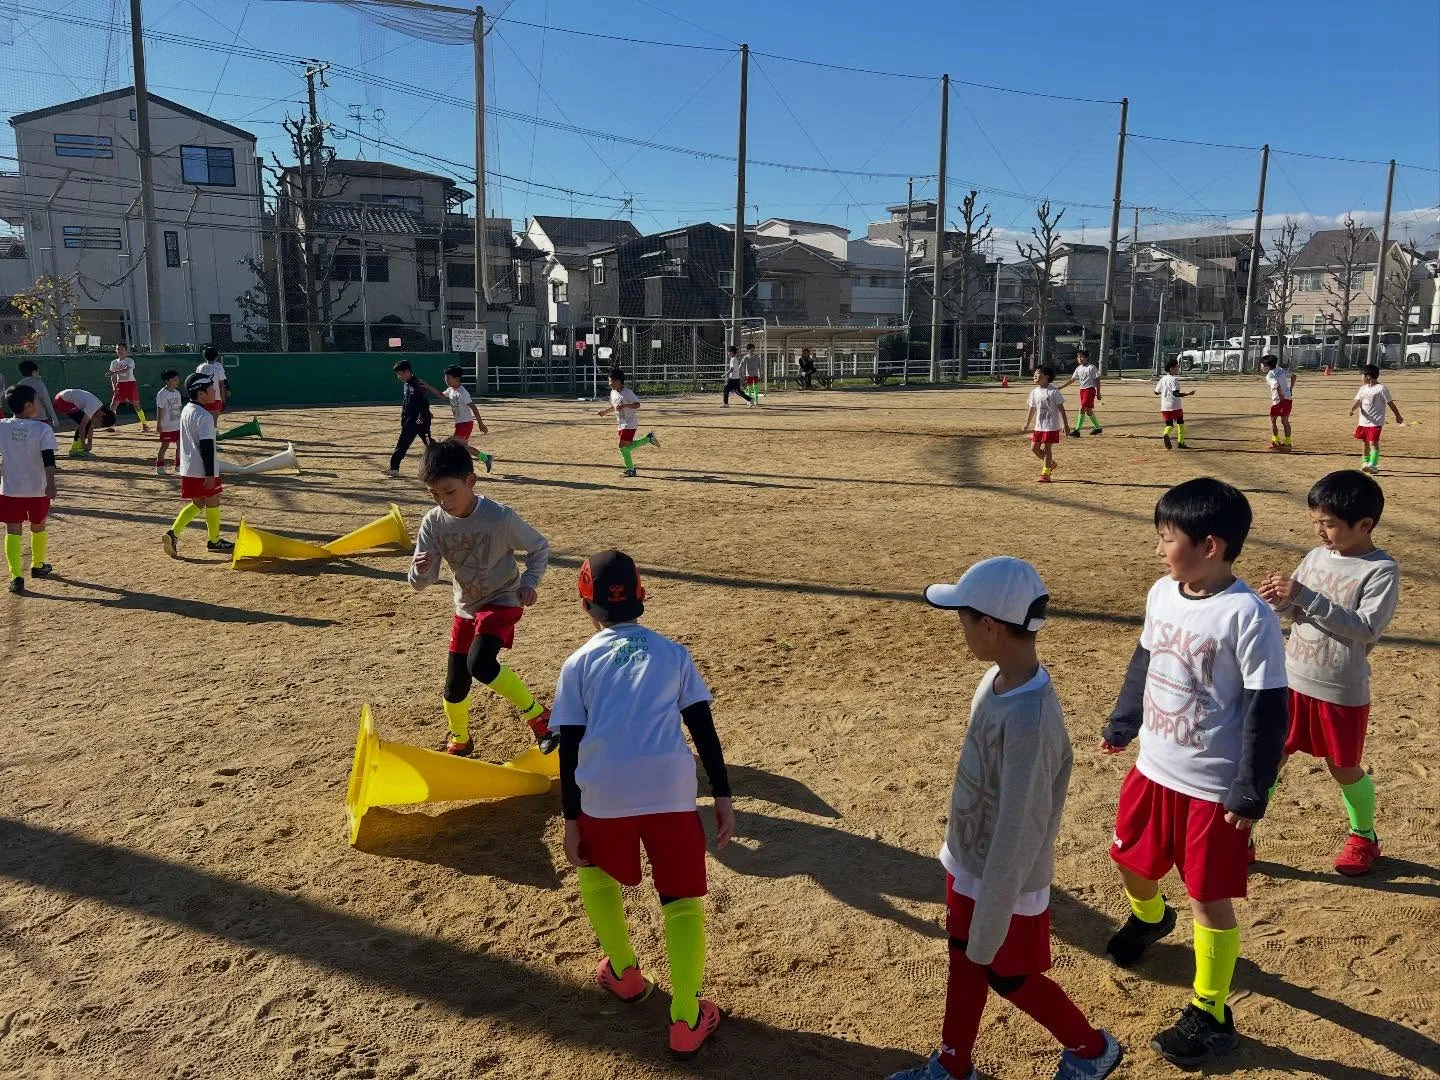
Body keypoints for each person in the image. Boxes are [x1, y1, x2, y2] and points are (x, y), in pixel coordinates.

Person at [890, 558, 1123, 1080]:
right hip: (972, 861)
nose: (962, 629)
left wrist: (993, 911)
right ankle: (953, 1065)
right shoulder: (993, 680)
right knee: (963, 957)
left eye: (964, 619)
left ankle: (1091, 1049)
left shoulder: (1032, 717)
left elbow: (1020, 828)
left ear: (990, 626)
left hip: (1007, 879)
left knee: (1007, 974)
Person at [1100, 477, 1288, 1067]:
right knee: (1129, 859)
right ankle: (1152, 918)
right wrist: (1125, 719)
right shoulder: (1163, 592)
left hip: (1212, 788)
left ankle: (1211, 1009)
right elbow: (1146, 657)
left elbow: (1267, 709)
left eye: (1167, 537)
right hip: (1153, 769)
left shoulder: (1248, 616)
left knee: (1208, 897)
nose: (1159, 548)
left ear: (1210, 545)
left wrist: (1250, 790)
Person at [554, 548, 733, 1061]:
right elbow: (703, 728)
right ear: (642, 598)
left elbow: (569, 748)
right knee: (681, 903)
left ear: (585, 606)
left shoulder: (578, 663)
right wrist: (722, 795)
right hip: (669, 793)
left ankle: (626, 973)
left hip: (603, 794)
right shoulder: (674, 654)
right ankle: (686, 1017)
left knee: (594, 871)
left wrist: (571, 822)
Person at [1257, 471, 1399, 876]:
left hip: (1339, 688)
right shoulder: (1317, 556)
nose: (1319, 531)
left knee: (1343, 767)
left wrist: (1305, 596)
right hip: (1290, 679)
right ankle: (1243, 831)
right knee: (1270, 758)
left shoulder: (1381, 570)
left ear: (1365, 525)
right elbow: (1297, 609)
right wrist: (1280, 602)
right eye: (1315, 521)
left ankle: (1363, 835)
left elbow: (1366, 627)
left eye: (1329, 524)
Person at [409, 438, 557, 756]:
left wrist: (530, 582)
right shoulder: (432, 522)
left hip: (503, 599)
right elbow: (423, 581)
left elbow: (539, 547)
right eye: (434, 494)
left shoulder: (499, 517)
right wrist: (422, 570)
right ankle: (460, 740)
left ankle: (539, 717)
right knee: (454, 685)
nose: (443, 501)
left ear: (470, 482)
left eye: (450, 492)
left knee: (480, 663)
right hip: (466, 606)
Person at [162, 373, 232, 557]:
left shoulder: (187, 410)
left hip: (188, 469)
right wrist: (210, 474)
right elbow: (207, 447)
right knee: (213, 501)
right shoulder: (205, 416)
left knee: (199, 503)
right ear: (201, 394)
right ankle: (215, 541)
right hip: (202, 470)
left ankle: (173, 533)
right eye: (211, 389)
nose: (214, 391)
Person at [0, 384, 58, 594]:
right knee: (38, 525)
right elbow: (48, 460)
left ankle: (16, 576)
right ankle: (38, 564)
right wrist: (51, 484)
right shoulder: (42, 429)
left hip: (10, 489)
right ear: (28, 405)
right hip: (38, 488)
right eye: (37, 401)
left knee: (13, 530)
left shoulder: (2, 426)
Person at [596, 367, 658, 478]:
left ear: (618, 381)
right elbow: (614, 406)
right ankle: (648, 438)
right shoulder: (613, 393)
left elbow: (637, 405)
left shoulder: (628, 393)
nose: (609, 383)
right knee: (626, 448)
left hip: (630, 424)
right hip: (621, 424)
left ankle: (630, 469)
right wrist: (605, 412)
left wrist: (626, 405)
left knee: (622, 446)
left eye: (611, 381)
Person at [388, 359, 441, 477]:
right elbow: (410, 403)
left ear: (407, 372)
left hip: (416, 422)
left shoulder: (417, 384)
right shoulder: (407, 384)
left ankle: (393, 468)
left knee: (405, 444)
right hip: (413, 421)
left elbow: (423, 402)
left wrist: (422, 416)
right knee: (427, 444)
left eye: (400, 374)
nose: (399, 377)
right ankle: (393, 468)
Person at [1349, 364, 1403, 474]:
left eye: (1362, 375)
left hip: (1375, 421)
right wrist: (1352, 409)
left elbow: (1390, 403)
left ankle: (1373, 464)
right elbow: (1358, 401)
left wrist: (1398, 415)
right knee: (1365, 442)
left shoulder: (1381, 389)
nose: (1361, 378)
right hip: (1363, 421)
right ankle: (1365, 462)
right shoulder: (1363, 389)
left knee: (1373, 442)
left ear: (1368, 376)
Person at [1022, 365, 1071, 484]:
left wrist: (1066, 425)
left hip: (1051, 426)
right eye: (1034, 373)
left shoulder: (1053, 391)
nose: (1035, 375)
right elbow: (1032, 408)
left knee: (1047, 448)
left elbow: (1061, 409)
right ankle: (1051, 463)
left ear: (1047, 377)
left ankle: (1046, 473)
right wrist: (1027, 423)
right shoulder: (1034, 392)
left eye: (1038, 373)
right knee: (1034, 448)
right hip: (1039, 426)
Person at [441, 365, 494, 474]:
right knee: (462, 447)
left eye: (448, 379)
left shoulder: (463, 393)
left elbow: (473, 407)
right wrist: (427, 386)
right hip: (460, 424)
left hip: (465, 424)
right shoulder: (450, 389)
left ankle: (459, 468)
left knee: (456, 446)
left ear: (457, 379)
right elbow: (440, 395)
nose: (446, 381)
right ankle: (485, 458)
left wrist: (481, 424)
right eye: (445, 379)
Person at [52, 388, 116, 456]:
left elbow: (90, 426)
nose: (97, 420)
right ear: (103, 414)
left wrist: (89, 445)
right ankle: (76, 449)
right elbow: (83, 425)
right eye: (100, 421)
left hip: (62, 398)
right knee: (85, 424)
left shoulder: (98, 406)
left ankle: (78, 448)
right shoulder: (94, 406)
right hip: (62, 400)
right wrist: (83, 443)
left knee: (88, 423)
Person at [1058, 349, 1102, 435]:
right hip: (1082, 391)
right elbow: (1072, 380)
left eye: (1082, 357)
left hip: (1090, 390)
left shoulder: (1091, 368)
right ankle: (1098, 428)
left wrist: (1098, 392)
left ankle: (1077, 430)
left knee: (1082, 408)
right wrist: (1061, 387)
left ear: (1087, 358)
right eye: (1078, 357)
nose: (1079, 359)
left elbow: (1097, 380)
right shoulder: (1078, 368)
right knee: (1088, 410)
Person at [107, 343, 149, 431]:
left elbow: (127, 369)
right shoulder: (113, 362)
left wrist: (114, 372)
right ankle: (112, 425)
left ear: (126, 351)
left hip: (131, 384)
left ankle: (144, 425)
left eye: (122, 349)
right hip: (120, 385)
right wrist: (114, 387)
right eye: (118, 349)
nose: (120, 351)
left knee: (136, 406)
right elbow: (113, 377)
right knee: (113, 405)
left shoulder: (130, 360)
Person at [1154, 358, 1194, 450]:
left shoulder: (1162, 379)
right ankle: (1181, 442)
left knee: (1169, 425)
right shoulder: (1174, 380)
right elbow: (1175, 393)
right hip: (1175, 405)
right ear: (1171, 369)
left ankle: (1166, 434)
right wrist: (1187, 394)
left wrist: (1164, 391)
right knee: (1180, 422)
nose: (1178, 368)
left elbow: (1156, 392)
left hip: (1164, 406)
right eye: (1177, 367)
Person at [1261, 356, 1294, 451]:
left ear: (1267, 366)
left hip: (1278, 401)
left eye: (1263, 365)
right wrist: (1291, 388)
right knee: (1285, 421)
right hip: (1288, 399)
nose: (1262, 367)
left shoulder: (1269, 375)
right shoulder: (1282, 370)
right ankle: (1287, 443)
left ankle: (1276, 441)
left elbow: (1276, 385)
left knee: (1273, 421)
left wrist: (1280, 396)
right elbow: (1293, 376)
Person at [154, 369, 183, 474]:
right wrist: (159, 424)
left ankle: (179, 466)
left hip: (178, 425)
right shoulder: (162, 394)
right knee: (164, 446)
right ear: (167, 381)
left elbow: (179, 409)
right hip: (166, 426)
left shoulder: (177, 393)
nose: (177, 381)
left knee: (180, 446)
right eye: (174, 380)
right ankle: (160, 466)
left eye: (177, 379)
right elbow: (160, 410)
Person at [16, 361, 59, 427]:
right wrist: (54, 418)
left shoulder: (19, 385)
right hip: (40, 419)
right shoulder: (39, 384)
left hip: (24, 420)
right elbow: (47, 402)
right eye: (37, 371)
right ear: (34, 372)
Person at [195, 346, 228, 415]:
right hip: (216, 398)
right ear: (216, 357)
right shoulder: (219, 367)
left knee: (206, 419)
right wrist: (224, 402)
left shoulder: (200, 367)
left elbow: (198, 385)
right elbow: (221, 385)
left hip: (203, 399)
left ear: (204, 357)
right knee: (214, 420)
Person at [743, 342, 762, 406]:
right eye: (750, 349)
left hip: (755, 374)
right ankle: (749, 401)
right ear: (748, 350)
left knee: (755, 387)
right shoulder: (745, 357)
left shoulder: (757, 357)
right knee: (749, 388)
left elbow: (759, 366)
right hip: (748, 375)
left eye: (753, 348)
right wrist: (742, 373)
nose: (752, 350)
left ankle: (756, 401)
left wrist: (760, 374)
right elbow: (742, 365)